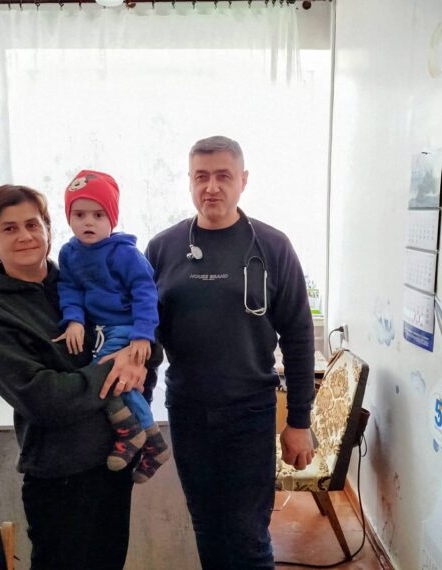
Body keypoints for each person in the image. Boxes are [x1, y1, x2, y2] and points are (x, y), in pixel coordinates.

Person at [145, 135, 316, 569]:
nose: (212, 187)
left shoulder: (272, 246)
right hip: (188, 411)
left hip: (249, 412)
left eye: (223, 176)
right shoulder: (162, 249)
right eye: (201, 176)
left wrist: (299, 420)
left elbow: (299, 337)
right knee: (207, 525)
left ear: (243, 180)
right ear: (189, 181)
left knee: (248, 533)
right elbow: (147, 339)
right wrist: (138, 408)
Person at [0, 184, 156, 570]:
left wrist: (137, 363)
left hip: (113, 463)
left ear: (49, 230)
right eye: (9, 228)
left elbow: (146, 344)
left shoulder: (81, 279)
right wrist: (116, 367)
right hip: (61, 477)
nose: (24, 236)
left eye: (32, 224)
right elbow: (46, 399)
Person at [54, 169, 170, 483]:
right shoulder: (69, 253)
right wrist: (74, 319)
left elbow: (146, 292)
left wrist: (143, 335)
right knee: (118, 382)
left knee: (105, 377)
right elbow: (69, 289)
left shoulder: (124, 253)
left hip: (125, 327)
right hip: (97, 330)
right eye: (79, 214)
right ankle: (153, 442)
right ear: (68, 218)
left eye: (98, 214)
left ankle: (131, 432)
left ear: (112, 219)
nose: (88, 222)